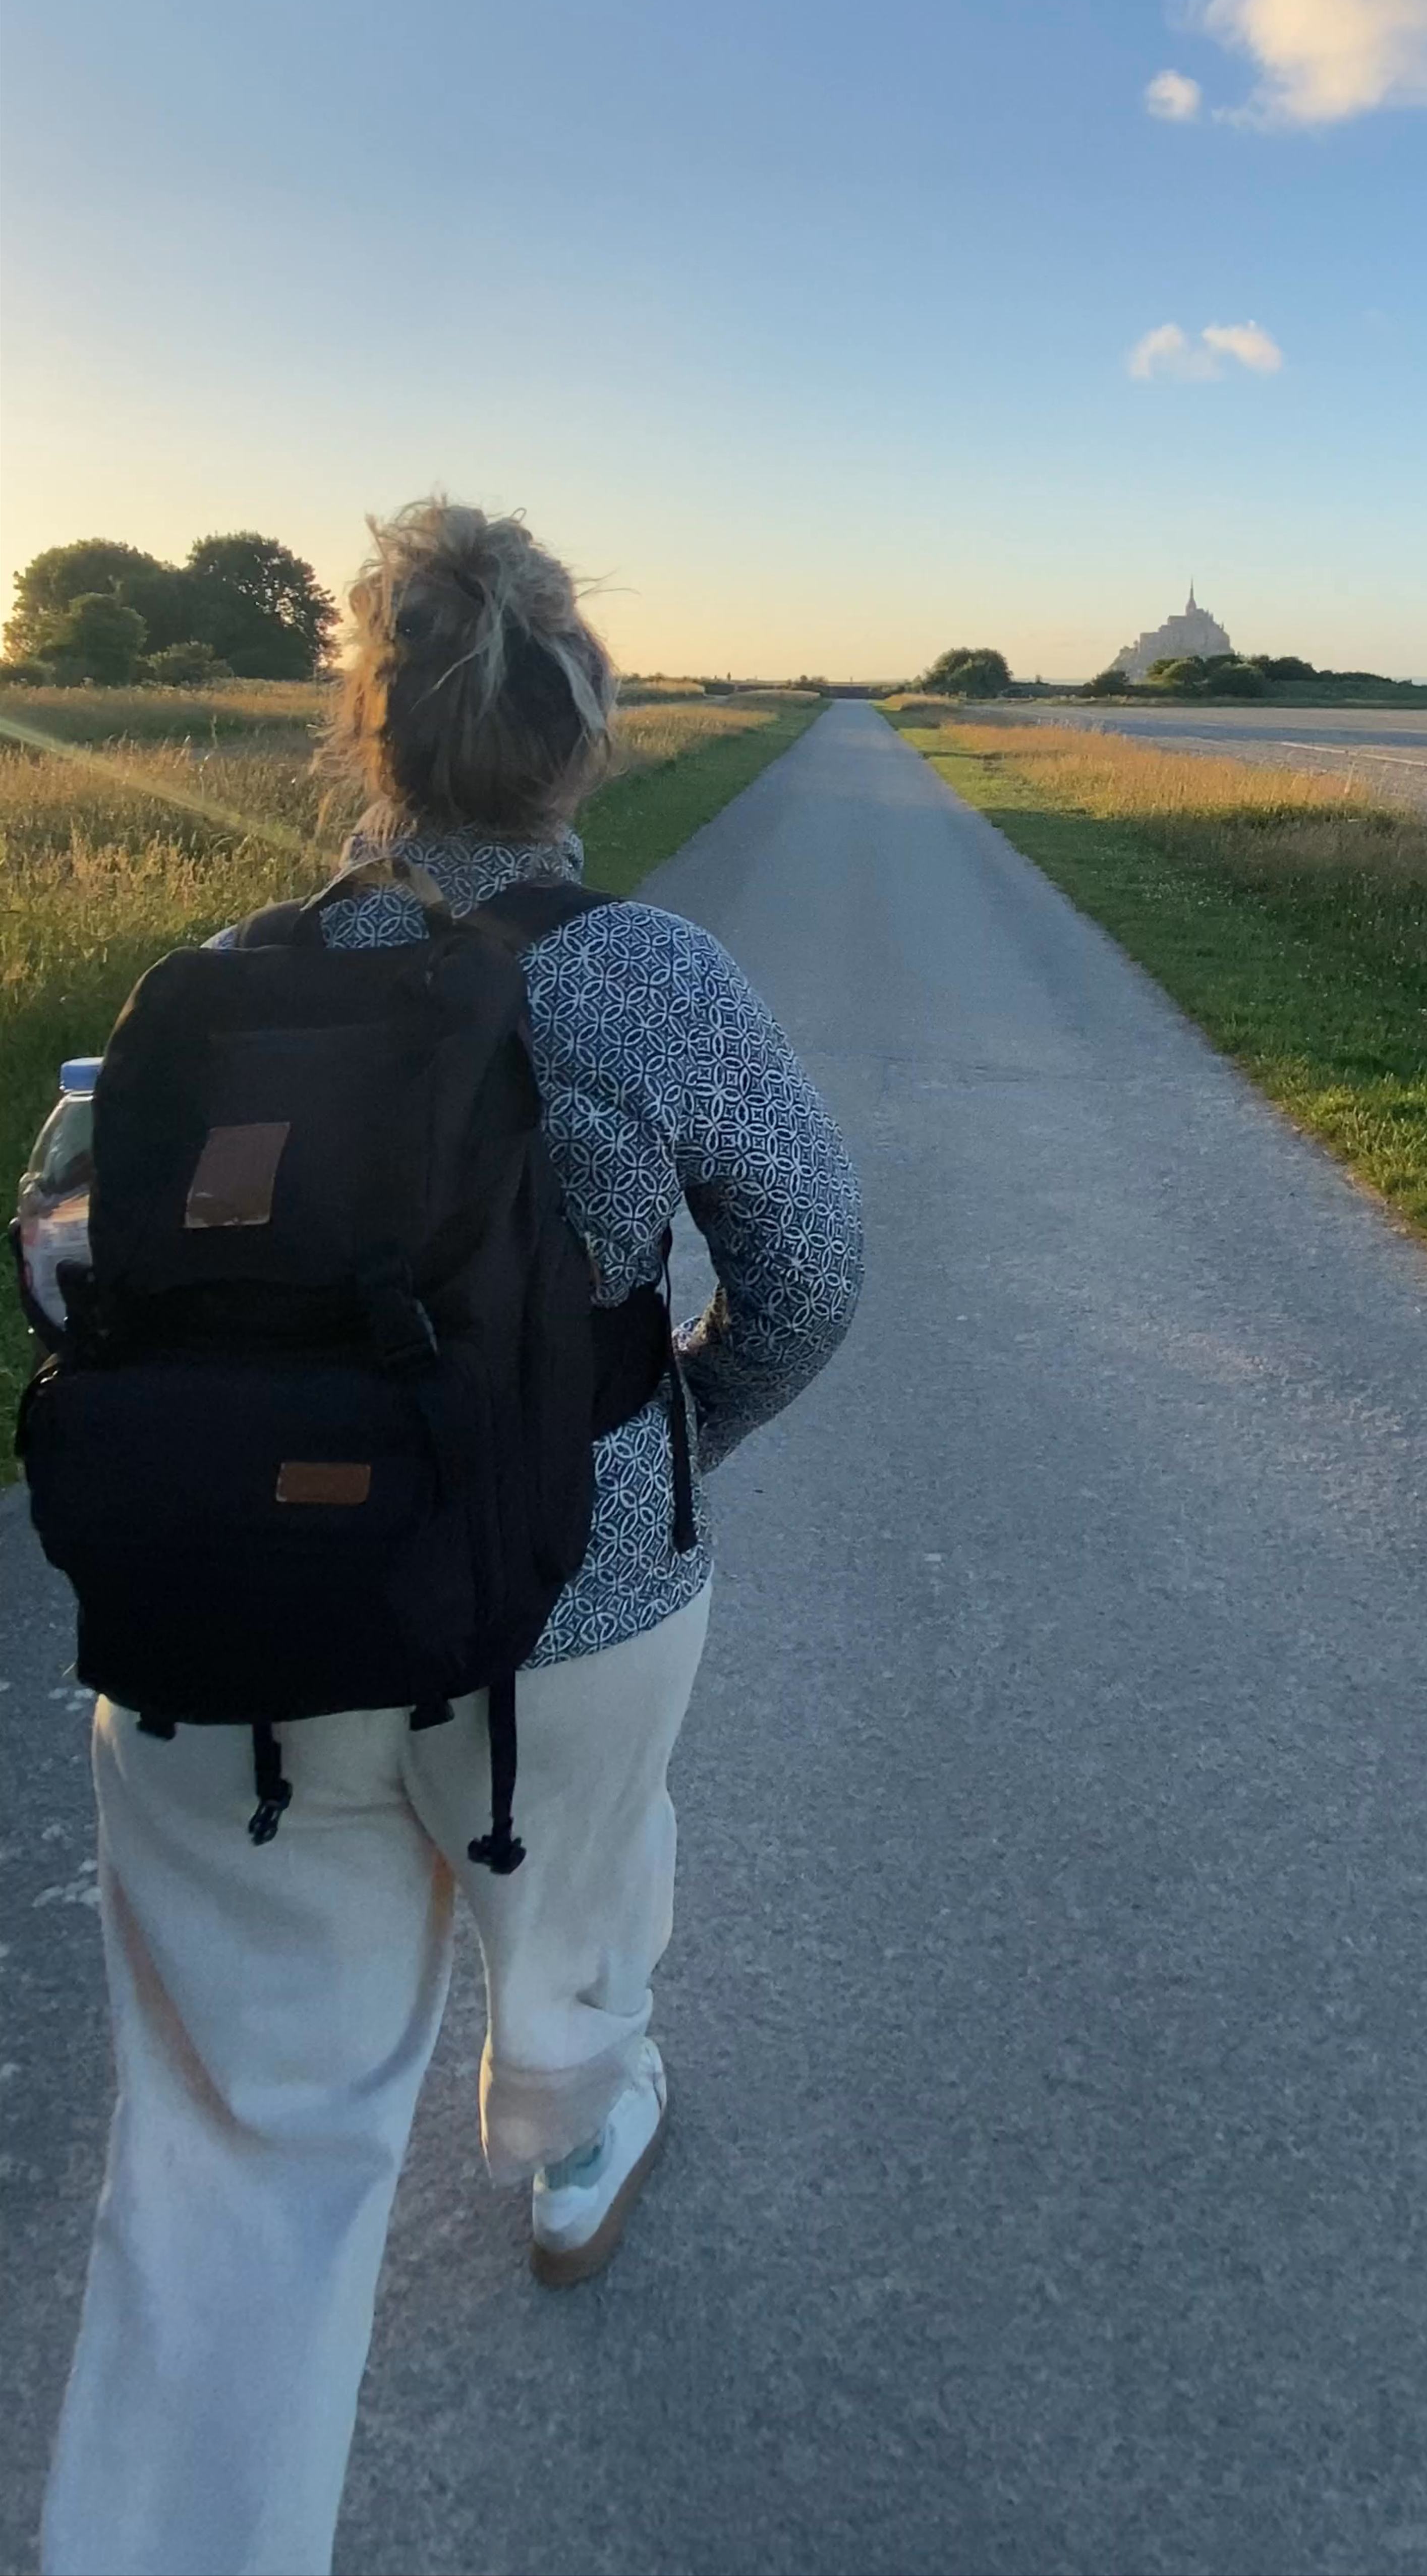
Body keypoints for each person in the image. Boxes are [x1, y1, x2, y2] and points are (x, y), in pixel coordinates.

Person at [41, 499, 863, 2576]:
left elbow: (84, 1273)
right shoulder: (654, 976)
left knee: (236, 2156)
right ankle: (574, 2134)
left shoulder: (204, 988)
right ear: (584, 737)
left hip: (227, 1627)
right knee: (575, 1899)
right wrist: (659, 1446)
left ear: (367, 728)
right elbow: (813, 1273)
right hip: (569, 1607)